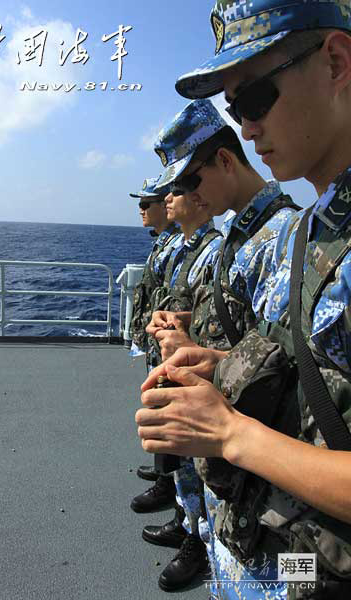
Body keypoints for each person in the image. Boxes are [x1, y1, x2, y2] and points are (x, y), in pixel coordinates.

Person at [137, 1, 351, 598]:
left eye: (255, 98)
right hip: (289, 553)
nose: (248, 127)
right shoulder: (315, 227)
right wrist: (219, 364)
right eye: (235, 110)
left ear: (335, 61)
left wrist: (231, 432)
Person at [144, 101, 298, 593]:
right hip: (235, 476)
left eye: (189, 184)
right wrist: (191, 328)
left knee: (296, 580)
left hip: (273, 489)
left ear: (225, 162)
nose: (181, 196)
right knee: (232, 571)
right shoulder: (238, 234)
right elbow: (249, 333)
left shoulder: (283, 237)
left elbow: (294, 374)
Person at [132, 100, 224, 591]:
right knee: (185, 468)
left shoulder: (215, 250)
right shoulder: (185, 249)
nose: (168, 199)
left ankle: (200, 541)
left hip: (201, 385)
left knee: (200, 470)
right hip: (176, 367)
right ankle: (190, 527)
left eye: (180, 188)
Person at [128, 176, 181, 485]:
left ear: (165, 204)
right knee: (158, 406)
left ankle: (168, 483)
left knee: (168, 411)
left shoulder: (177, 245)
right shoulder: (163, 242)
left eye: (146, 203)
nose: (140, 209)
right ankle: (164, 474)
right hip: (154, 342)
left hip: (167, 344)